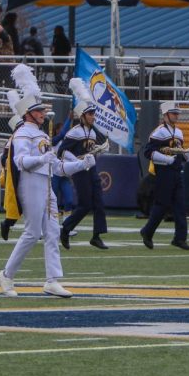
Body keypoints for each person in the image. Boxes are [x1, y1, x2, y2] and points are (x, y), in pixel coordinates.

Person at [0, 64, 92, 299]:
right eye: (38, 111)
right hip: (30, 183)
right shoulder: (22, 134)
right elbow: (21, 161)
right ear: (28, 113)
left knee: (52, 231)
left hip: (46, 183)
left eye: (42, 110)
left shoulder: (41, 134)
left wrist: (81, 164)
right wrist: (42, 158)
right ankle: (7, 275)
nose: (43, 114)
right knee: (32, 232)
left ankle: (52, 280)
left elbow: (57, 168)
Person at [140, 102, 189, 250]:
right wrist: (167, 160)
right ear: (166, 115)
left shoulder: (179, 132)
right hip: (164, 173)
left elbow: (181, 155)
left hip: (176, 172)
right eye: (173, 113)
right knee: (162, 205)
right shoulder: (159, 132)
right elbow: (148, 152)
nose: (177, 116)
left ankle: (180, 238)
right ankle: (147, 231)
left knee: (180, 206)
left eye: (177, 113)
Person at [59, 78, 109, 250]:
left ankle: (97, 235)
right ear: (82, 116)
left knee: (99, 202)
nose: (93, 117)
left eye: (93, 114)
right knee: (85, 204)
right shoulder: (74, 132)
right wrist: (79, 161)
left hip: (92, 170)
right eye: (90, 114)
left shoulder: (92, 133)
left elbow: (90, 149)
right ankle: (65, 229)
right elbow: (62, 152)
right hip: (79, 171)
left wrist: (98, 150)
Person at [50, 25, 71, 90]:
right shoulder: (55, 38)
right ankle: (60, 88)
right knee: (57, 75)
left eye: (56, 30)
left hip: (62, 60)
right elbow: (53, 46)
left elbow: (68, 48)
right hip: (56, 60)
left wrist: (62, 53)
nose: (54, 32)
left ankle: (61, 88)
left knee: (57, 74)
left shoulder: (63, 38)